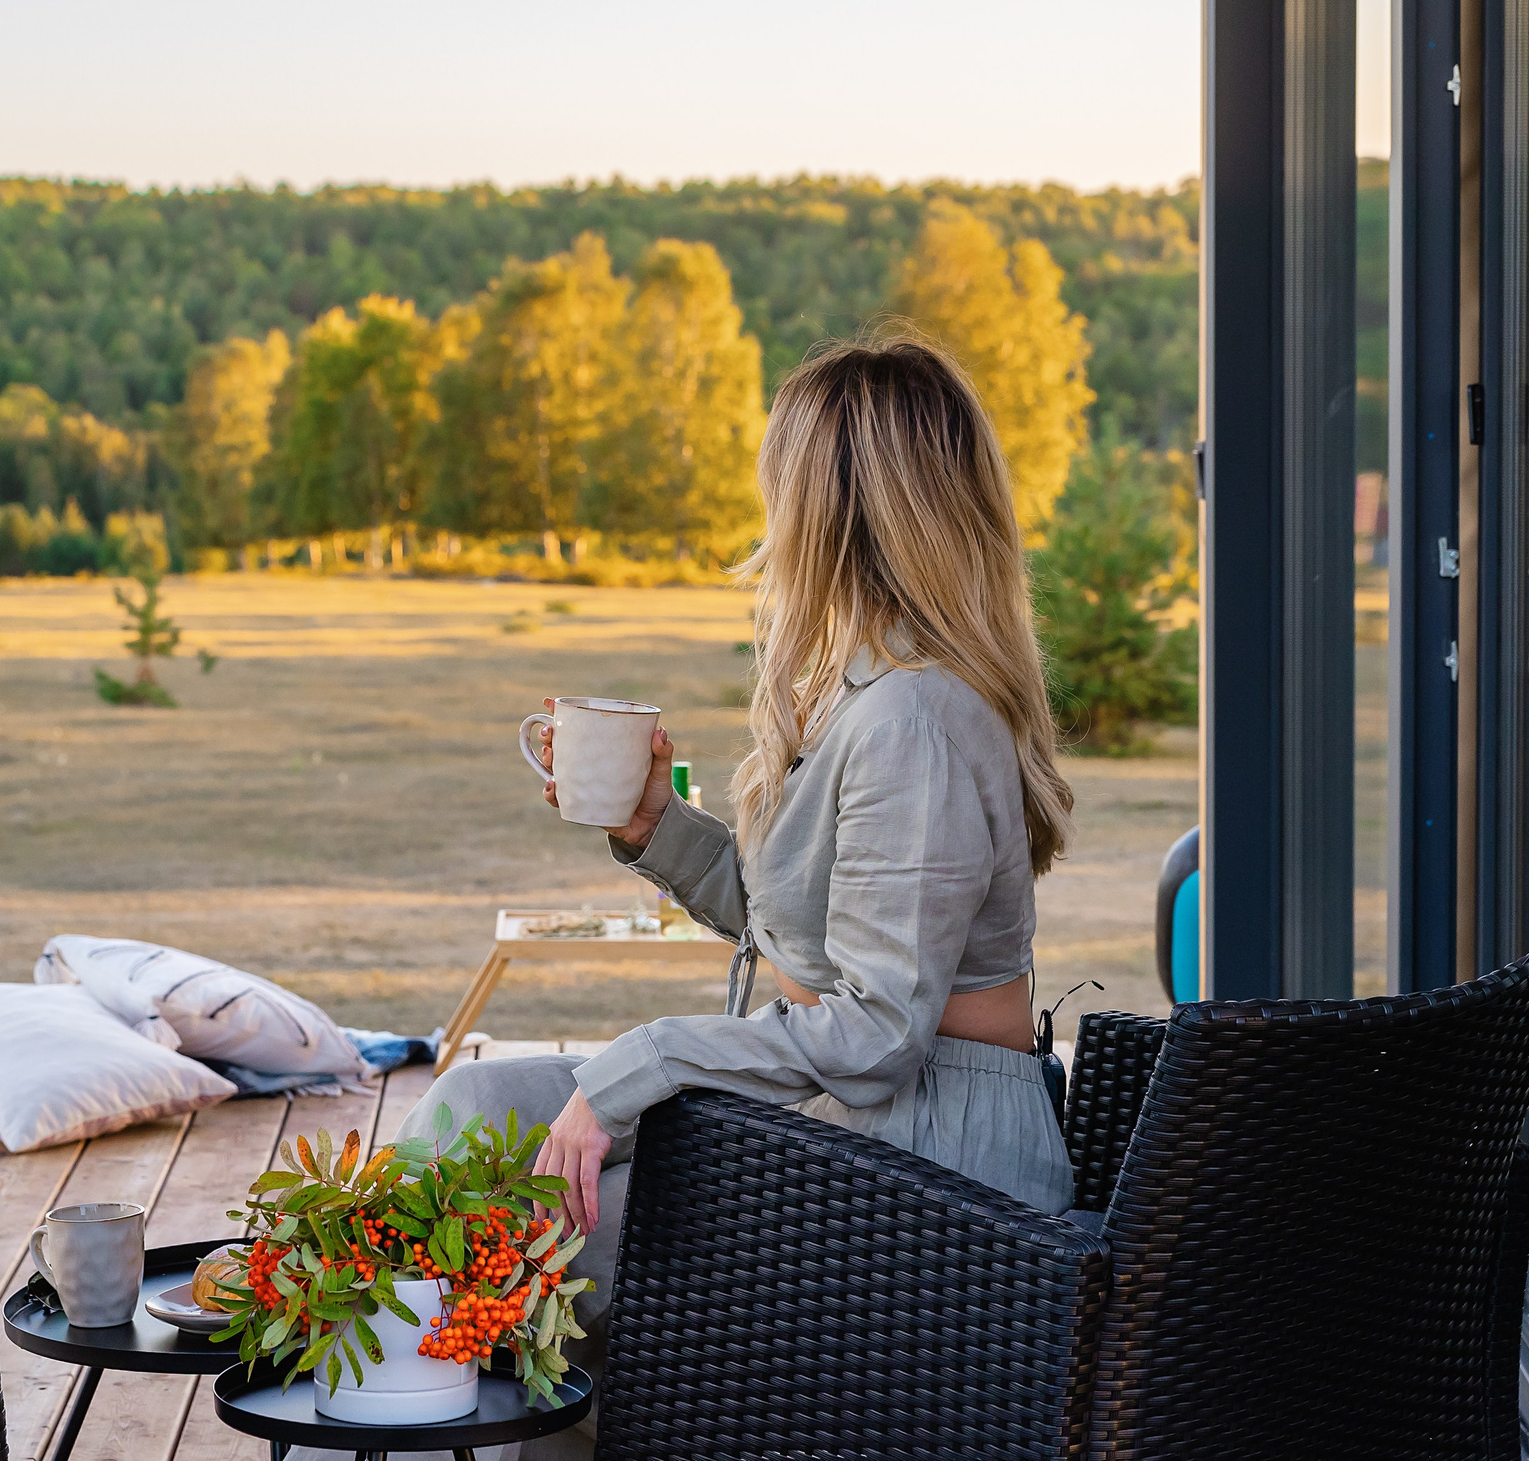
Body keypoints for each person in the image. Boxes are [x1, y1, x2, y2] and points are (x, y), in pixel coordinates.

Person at [404, 334, 1077, 1405]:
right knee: (468, 1114)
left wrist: (633, 1067)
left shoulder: (916, 721)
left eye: (779, 486)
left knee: (499, 1253)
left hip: (923, 1163)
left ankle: (482, 1408)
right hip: (832, 1123)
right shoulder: (865, 687)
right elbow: (801, 928)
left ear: (826, 509)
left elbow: (874, 1036)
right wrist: (652, 824)